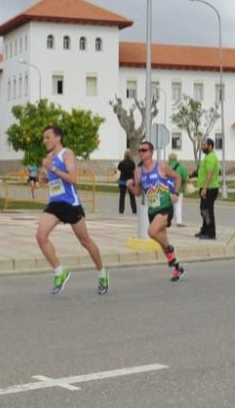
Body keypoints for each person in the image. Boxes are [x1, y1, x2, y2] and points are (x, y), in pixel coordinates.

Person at [35, 125, 109, 295]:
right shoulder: (48, 157)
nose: (44, 141)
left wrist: (52, 168)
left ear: (58, 138)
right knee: (40, 236)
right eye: (44, 138)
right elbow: (51, 179)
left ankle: (102, 273)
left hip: (70, 204)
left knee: (85, 242)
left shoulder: (66, 154)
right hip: (55, 204)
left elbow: (73, 178)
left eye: (47, 137)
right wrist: (44, 177)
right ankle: (60, 272)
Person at [127, 141, 185, 281]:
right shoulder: (138, 171)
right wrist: (130, 186)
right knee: (162, 241)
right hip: (152, 210)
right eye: (139, 150)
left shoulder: (161, 167)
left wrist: (176, 193)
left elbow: (178, 177)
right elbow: (139, 193)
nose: (141, 152)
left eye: (144, 150)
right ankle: (177, 268)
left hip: (165, 206)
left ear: (151, 152)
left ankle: (171, 249)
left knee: (151, 232)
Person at [196, 138, 220, 240]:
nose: (202, 147)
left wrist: (205, 188)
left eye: (204, 145)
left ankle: (211, 233)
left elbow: (210, 173)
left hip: (210, 188)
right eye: (202, 145)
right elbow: (203, 171)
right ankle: (204, 230)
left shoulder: (211, 157)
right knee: (204, 210)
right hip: (207, 188)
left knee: (207, 211)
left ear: (210, 146)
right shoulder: (208, 156)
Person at [168, 153, 189, 226]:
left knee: (167, 205)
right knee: (178, 205)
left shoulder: (166, 167)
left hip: (168, 189)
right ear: (176, 159)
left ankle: (166, 221)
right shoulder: (181, 167)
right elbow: (185, 178)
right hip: (178, 189)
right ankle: (179, 222)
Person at [116, 150, 137, 215]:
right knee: (132, 196)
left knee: (122, 196)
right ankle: (134, 210)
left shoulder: (121, 163)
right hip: (130, 181)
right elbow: (134, 170)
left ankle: (121, 210)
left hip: (122, 181)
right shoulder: (132, 163)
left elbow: (118, 168)